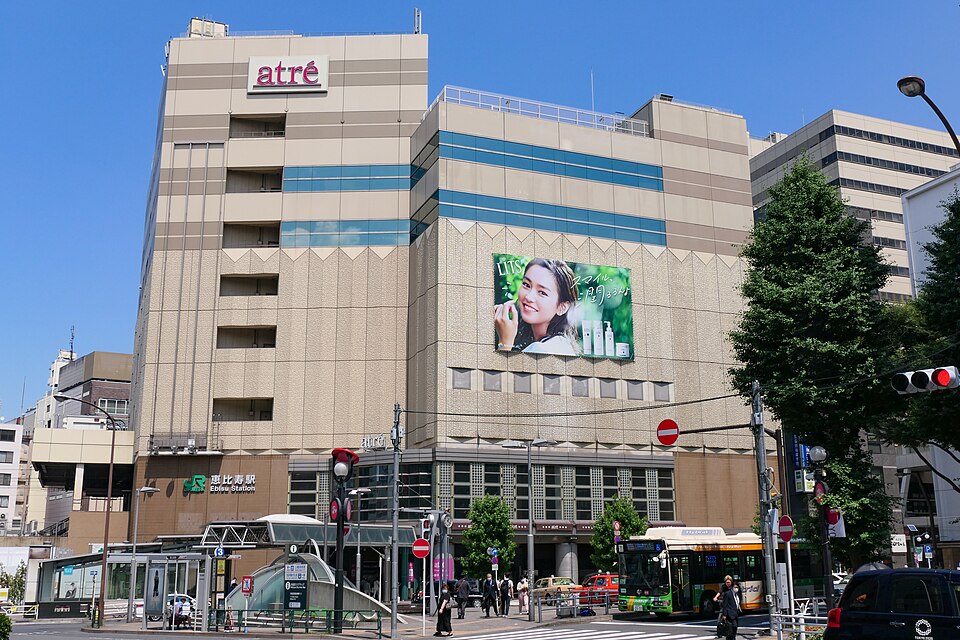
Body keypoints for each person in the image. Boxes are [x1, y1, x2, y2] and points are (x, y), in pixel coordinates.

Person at [494, 258, 581, 356]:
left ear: (562, 307)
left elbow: (503, 371)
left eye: (542, 292)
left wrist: (504, 343)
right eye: (526, 285)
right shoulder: (561, 345)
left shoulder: (541, 349)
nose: (529, 297)